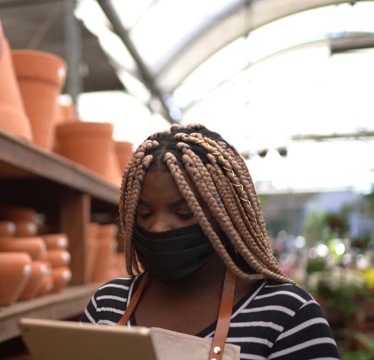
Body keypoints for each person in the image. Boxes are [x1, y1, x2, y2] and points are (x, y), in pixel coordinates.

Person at [81, 123, 340, 359]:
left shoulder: (287, 315)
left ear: (226, 215)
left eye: (184, 212)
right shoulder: (109, 304)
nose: (158, 227)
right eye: (144, 214)